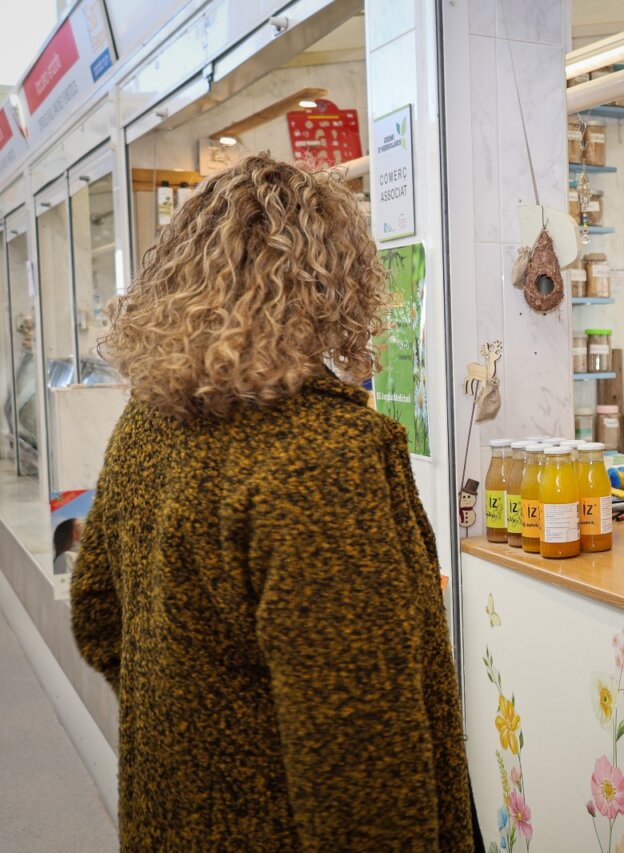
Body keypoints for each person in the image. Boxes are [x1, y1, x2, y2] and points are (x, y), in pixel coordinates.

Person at [70, 155, 479, 850]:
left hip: (173, 812)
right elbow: (361, 752)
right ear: (333, 282)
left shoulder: (148, 422)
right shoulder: (324, 457)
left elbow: (96, 614)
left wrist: (199, 716)